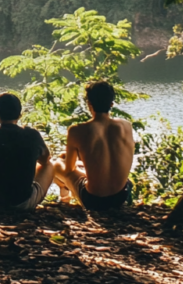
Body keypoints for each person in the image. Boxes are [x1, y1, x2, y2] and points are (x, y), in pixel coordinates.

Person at [52, 80, 134, 212]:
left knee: (56, 164)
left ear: (89, 104)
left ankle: (64, 198)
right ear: (112, 103)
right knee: (69, 160)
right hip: (121, 196)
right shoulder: (126, 126)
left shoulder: (76, 130)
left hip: (93, 200)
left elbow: (68, 170)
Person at [0, 92, 53, 211]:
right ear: (20, 115)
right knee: (50, 165)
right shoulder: (31, 134)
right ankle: (65, 197)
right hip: (21, 203)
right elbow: (45, 160)